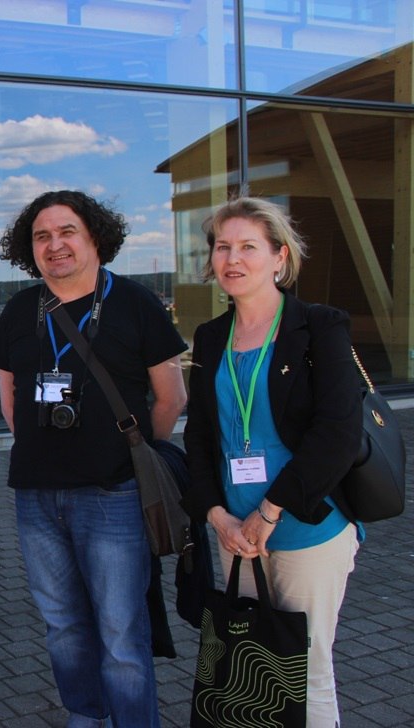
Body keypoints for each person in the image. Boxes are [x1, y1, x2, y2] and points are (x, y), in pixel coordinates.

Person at [0, 190, 187, 727]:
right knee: (63, 626)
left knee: (121, 632)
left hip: (114, 494)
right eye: (42, 236)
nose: (55, 245)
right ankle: (85, 717)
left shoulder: (136, 303)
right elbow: (11, 400)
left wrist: (134, 455)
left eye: (67, 231)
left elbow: (171, 399)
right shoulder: (20, 310)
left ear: (95, 236)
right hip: (36, 496)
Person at [182, 196, 362, 727]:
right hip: (236, 533)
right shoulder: (210, 337)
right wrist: (216, 515)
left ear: (280, 257)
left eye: (248, 247)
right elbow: (200, 435)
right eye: (222, 247)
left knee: (307, 672)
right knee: (250, 669)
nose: (232, 259)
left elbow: (337, 434)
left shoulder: (319, 326)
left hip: (307, 525)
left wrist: (270, 511)